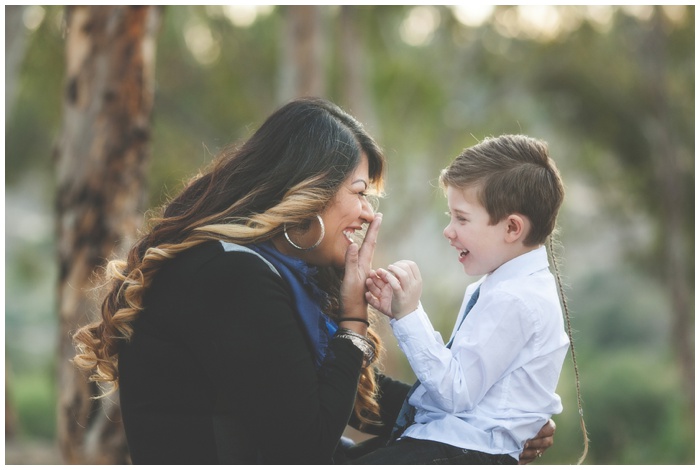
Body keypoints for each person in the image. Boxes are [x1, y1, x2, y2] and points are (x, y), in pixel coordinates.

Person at [72, 99, 555, 464]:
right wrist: (351, 323)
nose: (368, 212)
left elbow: (328, 395)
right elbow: (305, 442)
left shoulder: (271, 271)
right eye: (360, 192)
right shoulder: (229, 275)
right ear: (309, 190)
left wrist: (495, 421)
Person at [361, 134, 570, 464]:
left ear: (512, 228)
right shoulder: (504, 287)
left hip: (459, 452)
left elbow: (455, 391)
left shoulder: (515, 299)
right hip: (448, 444)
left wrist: (409, 315)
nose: (449, 230)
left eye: (461, 218)